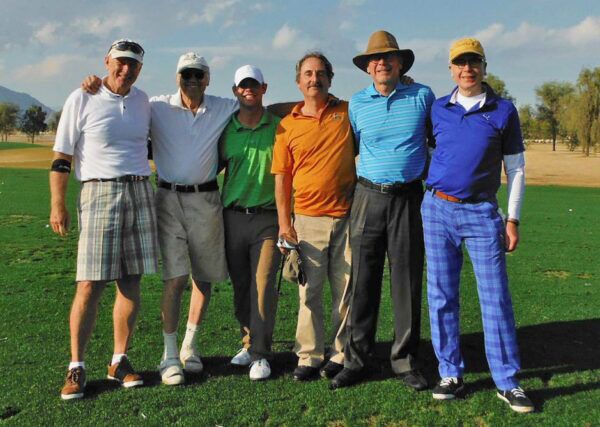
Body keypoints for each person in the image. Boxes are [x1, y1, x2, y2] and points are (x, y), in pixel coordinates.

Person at [422, 38, 533, 413]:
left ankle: (507, 380)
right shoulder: (439, 108)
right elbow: (431, 152)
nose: (467, 69)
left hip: (482, 213)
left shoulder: (503, 111)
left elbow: (516, 169)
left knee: (495, 296)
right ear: (451, 69)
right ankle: (450, 373)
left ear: (484, 67)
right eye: (460, 63)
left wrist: (512, 218)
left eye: (474, 62)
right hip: (437, 209)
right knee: (441, 295)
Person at [50, 39, 157, 400]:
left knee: (131, 280)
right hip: (99, 193)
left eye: (133, 64)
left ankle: (118, 361)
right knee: (89, 284)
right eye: (120, 62)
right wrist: (58, 204)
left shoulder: (143, 101)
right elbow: (62, 156)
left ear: (140, 69)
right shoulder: (82, 97)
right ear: (107, 61)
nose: (126, 69)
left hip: (139, 189)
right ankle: (76, 366)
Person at [331, 30, 435, 390]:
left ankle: (404, 361)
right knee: (362, 281)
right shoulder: (358, 104)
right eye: (375, 59)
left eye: (388, 57)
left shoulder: (422, 96)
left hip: (408, 199)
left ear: (400, 63)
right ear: (367, 68)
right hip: (368, 197)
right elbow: (353, 146)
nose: (381, 63)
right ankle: (357, 360)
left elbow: (436, 141)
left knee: (406, 281)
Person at [271, 52, 356, 381]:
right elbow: (282, 178)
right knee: (309, 293)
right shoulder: (287, 125)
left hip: (347, 217)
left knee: (345, 291)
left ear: (330, 79)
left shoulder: (347, 112)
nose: (314, 79)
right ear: (298, 81)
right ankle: (309, 355)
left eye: (320, 73)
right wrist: (284, 224)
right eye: (307, 73)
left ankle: (341, 352)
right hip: (306, 220)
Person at [219, 65, 281, 380]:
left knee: (263, 285)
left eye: (254, 85)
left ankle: (261, 353)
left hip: (268, 218)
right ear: (235, 91)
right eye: (243, 86)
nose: (248, 90)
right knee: (242, 286)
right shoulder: (226, 129)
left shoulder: (279, 126)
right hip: (232, 217)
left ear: (263, 88)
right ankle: (248, 341)